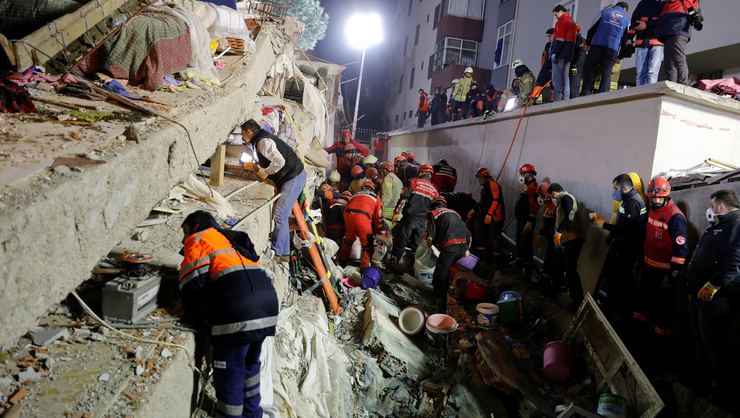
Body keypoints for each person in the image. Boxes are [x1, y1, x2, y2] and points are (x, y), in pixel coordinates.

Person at [179, 211, 278, 418]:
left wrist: (196, 316)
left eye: (185, 232)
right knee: (250, 366)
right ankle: (252, 414)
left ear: (195, 226)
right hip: (267, 307)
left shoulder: (199, 238)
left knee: (230, 372)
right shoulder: (229, 240)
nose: (183, 239)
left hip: (239, 311)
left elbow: (191, 285)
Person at [630, 177, 688, 375]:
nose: (654, 201)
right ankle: (639, 341)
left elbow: (681, 252)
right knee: (642, 306)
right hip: (648, 268)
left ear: (666, 196)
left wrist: (671, 277)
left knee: (661, 313)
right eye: (652, 198)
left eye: (658, 198)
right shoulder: (653, 210)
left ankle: (658, 356)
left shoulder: (675, 217)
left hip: (663, 273)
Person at [687, 190, 740, 405]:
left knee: (714, 343)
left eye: (712, 205)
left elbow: (735, 262)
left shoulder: (736, 225)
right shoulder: (721, 225)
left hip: (716, 298)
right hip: (700, 294)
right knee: (701, 340)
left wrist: (715, 284)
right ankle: (704, 381)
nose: (711, 209)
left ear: (720, 205)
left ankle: (720, 390)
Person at [241, 119, 306, 260]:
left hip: (294, 176)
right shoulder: (259, 140)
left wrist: (266, 172)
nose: (241, 137)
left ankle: (278, 252)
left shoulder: (263, 142)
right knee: (282, 213)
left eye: (242, 134)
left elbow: (279, 162)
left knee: (281, 213)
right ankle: (285, 252)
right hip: (291, 175)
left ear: (249, 132)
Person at [592, 173, 647, 332]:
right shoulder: (627, 200)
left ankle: (619, 316)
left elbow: (625, 229)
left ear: (624, 187)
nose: (614, 191)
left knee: (621, 281)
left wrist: (604, 225)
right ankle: (611, 308)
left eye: (615, 188)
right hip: (620, 247)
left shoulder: (634, 203)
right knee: (612, 277)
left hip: (627, 250)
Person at [390, 164, 439, 270]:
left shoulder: (414, 182)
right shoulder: (434, 190)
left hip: (409, 219)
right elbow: (434, 209)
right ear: (430, 175)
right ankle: (409, 270)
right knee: (415, 248)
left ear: (421, 172)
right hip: (422, 223)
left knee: (400, 242)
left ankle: (393, 268)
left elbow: (403, 200)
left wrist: (396, 213)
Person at [426, 196, 471, 313]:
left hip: (451, 247)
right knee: (455, 271)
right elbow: (467, 232)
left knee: (440, 274)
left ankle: (439, 302)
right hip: (464, 246)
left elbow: (430, 235)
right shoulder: (455, 213)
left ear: (433, 205)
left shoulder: (433, 213)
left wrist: (429, 242)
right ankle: (459, 298)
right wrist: (467, 248)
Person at [549, 183, 587, 309]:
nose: (552, 199)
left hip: (573, 239)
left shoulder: (566, 198)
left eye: (551, 196)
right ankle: (555, 291)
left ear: (554, 193)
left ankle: (577, 301)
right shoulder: (563, 200)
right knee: (557, 264)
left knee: (570, 269)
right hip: (566, 239)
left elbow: (570, 215)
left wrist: (560, 231)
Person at [580, 2, 631, 96]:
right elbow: (625, 39)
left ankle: (585, 93)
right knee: (606, 72)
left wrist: (588, 43)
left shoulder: (604, 12)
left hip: (597, 46)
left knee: (589, 68)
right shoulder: (627, 19)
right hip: (612, 49)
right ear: (625, 9)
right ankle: (603, 95)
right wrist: (620, 56)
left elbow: (592, 28)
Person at [339, 181, 383, 270]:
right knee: (367, 244)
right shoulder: (375, 197)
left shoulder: (354, 195)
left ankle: (341, 263)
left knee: (348, 240)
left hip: (348, 215)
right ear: (373, 189)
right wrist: (379, 228)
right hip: (362, 217)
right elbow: (378, 215)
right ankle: (365, 268)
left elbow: (346, 208)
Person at [656, 0, 701, 85]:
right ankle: (671, 85)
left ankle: (682, 84)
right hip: (669, 29)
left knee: (678, 59)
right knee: (669, 63)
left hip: (677, 27)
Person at [469, 168, 505, 264]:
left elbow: (495, 201)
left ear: (485, 177)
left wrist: (489, 214)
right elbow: (483, 202)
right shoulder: (485, 187)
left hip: (495, 218)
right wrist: (474, 209)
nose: (478, 180)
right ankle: (482, 258)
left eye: (480, 178)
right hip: (487, 216)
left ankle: (496, 263)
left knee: (494, 238)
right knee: (481, 234)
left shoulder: (493, 185)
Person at [629, 0, 665, 85]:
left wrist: (646, 24)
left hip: (657, 44)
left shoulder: (665, 4)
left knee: (652, 73)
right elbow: (634, 22)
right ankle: (640, 97)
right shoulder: (642, 3)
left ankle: (650, 96)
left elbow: (664, 21)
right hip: (642, 43)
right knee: (640, 74)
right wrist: (629, 38)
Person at [514, 164, 540, 279]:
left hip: (527, 221)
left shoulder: (533, 187)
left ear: (528, 174)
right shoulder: (528, 186)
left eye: (523, 174)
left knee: (526, 244)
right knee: (520, 241)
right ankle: (520, 264)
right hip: (521, 220)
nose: (522, 177)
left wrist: (530, 220)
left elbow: (535, 205)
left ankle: (527, 270)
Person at [551, 6, 577, 101]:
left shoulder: (562, 21)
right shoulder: (571, 21)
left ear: (561, 12)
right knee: (566, 77)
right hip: (568, 54)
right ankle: (566, 99)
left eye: (556, 14)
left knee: (558, 78)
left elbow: (560, 40)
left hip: (561, 54)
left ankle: (558, 99)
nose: (556, 17)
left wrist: (555, 53)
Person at [536, 182, 557, 285]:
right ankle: (545, 278)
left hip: (556, 239)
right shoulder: (550, 204)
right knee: (548, 258)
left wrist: (541, 233)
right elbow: (545, 220)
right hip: (552, 238)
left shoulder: (554, 205)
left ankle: (547, 281)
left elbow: (547, 220)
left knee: (551, 259)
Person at [379, 161, 403, 225]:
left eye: (381, 169)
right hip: (397, 214)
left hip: (388, 214)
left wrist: (380, 208)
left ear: (385, 170)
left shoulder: (387, 179)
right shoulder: (398, 179)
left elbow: (387, 195)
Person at [536, 28, 555, 104]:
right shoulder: (548, 45)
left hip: (553, 68)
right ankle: (537, 99)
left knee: (553, 85)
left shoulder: (558, 44)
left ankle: (553, 99)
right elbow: (543, 57)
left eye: (550, 36)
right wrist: (543, 67)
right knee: (539, 83)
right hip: (546, 68)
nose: (549, 38)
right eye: (548, 36)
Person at [569, 28, 587, 99]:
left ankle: (574, 102)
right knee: (572, 85)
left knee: (574, 85)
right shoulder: (575, 41)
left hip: (577, 67)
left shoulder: (581, 41)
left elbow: (581, 56)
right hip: (575, 66)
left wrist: (574, 66)